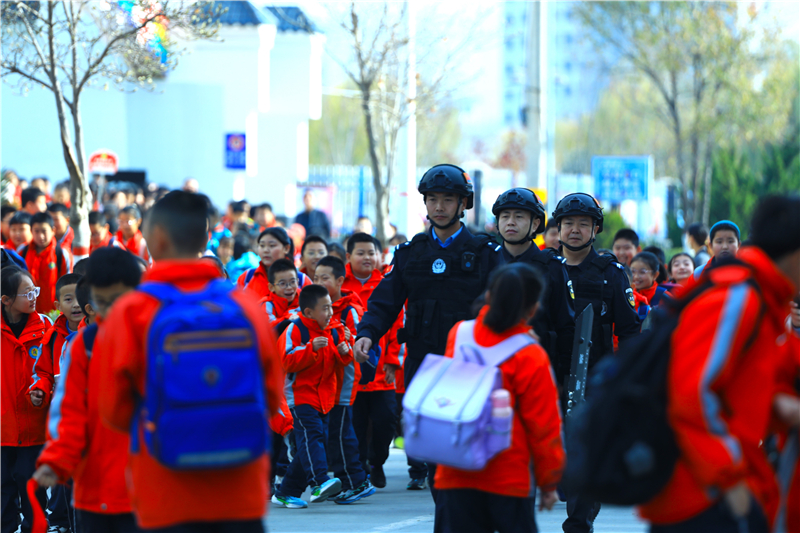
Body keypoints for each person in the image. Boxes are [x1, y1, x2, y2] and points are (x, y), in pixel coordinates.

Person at [95, 191, 285, 532]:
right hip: (240, 488)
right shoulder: (245, 306)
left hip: (164, 489)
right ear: (205, 237)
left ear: (157, 237)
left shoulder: (132, 311)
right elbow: (271, 397)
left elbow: (113, 409)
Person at [639, 194, 800, 532]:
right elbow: (691, 393)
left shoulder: (764, 297)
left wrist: (779, 402)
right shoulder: (739, 297)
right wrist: (730, 481)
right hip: (702, 498)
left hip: (723, 487)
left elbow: (741, 382)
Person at [354, 164, 504, 522]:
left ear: (463, 204)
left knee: (470, 447)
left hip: (471, 366)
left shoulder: (486, 252)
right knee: (437, 454)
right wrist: (367, 333)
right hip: (425, 365)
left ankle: (470, 516)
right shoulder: (411, 253)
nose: (439, 206)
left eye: (448, 199)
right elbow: (385, 301)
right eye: (433, 199)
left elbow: (504, 307)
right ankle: (450, 519)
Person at [435, 263, 565, 533]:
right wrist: (549, 481)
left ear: (488, 296)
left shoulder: (459, 334)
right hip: (508, 474)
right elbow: (544, 426)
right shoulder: (530, 354)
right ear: (533, 309)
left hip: (456, 468)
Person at [33, 248, 143, 533]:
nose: (110, 310)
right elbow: (68, 407)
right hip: (93, 487)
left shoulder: (156, 337)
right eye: (101, 302)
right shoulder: (84, 344)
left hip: (145, 486)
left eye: (118, 300)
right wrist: (56, 459)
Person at [551, 193, 641, 533]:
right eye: (568, 223)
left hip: (593, 375)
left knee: (584, 450)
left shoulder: (610, 273)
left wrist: (625, 376)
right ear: (558, 227)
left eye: (583, 224)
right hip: (548, 371)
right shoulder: (545, 269)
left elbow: (629, 330)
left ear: (595, 229)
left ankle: (579, 523)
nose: (575, 230)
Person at [273, 284, 351, 508]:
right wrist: (310, 348)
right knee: (313, 437)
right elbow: (286, 360)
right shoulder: (295, 329)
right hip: (299, 397)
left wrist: (345, 351)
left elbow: (338, 359)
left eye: (330, 307)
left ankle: (286, 491)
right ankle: (319, 482)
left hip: (324, 398)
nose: (330, 312)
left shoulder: (333, 330)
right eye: (324, 308)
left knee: (312, 442)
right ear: (308, 312)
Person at [313, 256, 376, 502]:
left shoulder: (350, 310)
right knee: (337, 433)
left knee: (341, 434)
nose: (319, 282)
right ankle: (346, 481)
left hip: (344, 383)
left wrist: (343, 343)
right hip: (327, 384)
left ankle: (357, 482)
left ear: (340, 281)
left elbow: (357, 345)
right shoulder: (317, 310)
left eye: (324, 278)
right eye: (315, 278)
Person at [342, 233, 403, 490]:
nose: (367, 257)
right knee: (355, 424)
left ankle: (378, 461)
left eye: (371, 253)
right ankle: (361, 469)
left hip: (381, 372)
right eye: (361, 253)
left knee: (385, 421)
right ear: (348, 256)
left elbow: (397, 325)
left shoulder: (388, 284)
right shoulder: (339, 283)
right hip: (351, 373)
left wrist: (392, 360)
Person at [492, 188, 575, 362]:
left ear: (536, 224)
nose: (510, 222)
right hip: (492, 361)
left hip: (538, 363)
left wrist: (561, 372)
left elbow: (566, 326)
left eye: (519, 217)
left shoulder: (552, 266)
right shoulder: (487, 259)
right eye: (505, 216)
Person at [1, 266, 52, 533]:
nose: (34, 297)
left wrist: (41, 389)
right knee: (3, 490)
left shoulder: (45, 326)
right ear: (6, 300)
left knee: (32, 485)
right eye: (27, 293)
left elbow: (49, 370)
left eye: (35, 291)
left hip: (34, 426)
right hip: (3, 427)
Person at [18, 212, 70, 314]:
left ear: (53, 230)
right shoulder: (22, 251)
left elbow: (67, 285)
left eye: (44, 231)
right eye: (36, 231)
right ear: (31, 231)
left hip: (54, 313)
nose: (40, 236)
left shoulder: (62, 253)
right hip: (27, 312)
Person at [237, 227, 311, 298]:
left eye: (272, 245)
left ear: (286, 248)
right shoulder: (247, 277)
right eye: (262, 245)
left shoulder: (302, 280)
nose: (265, 250)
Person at [260, 258, 301, 326]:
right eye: (282, 283)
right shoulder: (267, 304)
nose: (289, 287)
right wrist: (287, 318)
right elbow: (269, 327)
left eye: (293, 282)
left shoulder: (304, 298)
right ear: (271, 287)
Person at [630, 251, 669, 318]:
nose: (636, 276)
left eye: (642, 272)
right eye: (632, 271)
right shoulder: (628, 295)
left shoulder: (664, 296)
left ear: (655, 275)